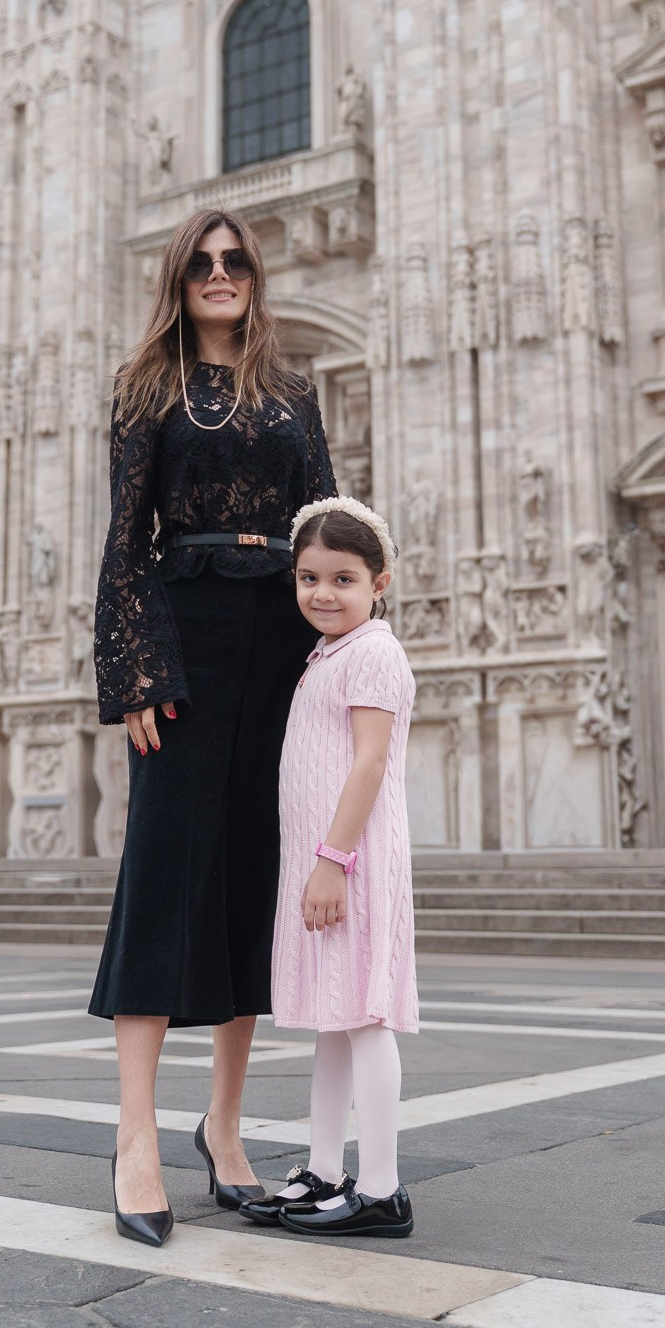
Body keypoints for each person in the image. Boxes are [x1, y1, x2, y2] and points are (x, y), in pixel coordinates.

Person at [91, 208, 337, 1247]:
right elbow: (127, 535)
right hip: (184, 634)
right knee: (161, 875)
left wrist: (351, 656)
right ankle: (135, 1136)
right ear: (178, 278)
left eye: (234, 261)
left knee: (250, 884)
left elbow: (324, 520)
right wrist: (135, 668)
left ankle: (224, 1129)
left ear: (254, 277)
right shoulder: (144, 389)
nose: (219, 273)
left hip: (280, 640)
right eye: (201, 262)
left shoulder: (291, 391)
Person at [242, 496, 418, 1239]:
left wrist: (333, 863)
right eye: (308, 577)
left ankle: (381, 1190)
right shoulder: (329, 653)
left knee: (366, 1017)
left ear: (379, 582)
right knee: (333, 1022)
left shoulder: (374, 649)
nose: (321, 593)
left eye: (342, 579)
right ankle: (321, 1169)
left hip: (351, 860)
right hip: (324, 861)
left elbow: (371, 762)